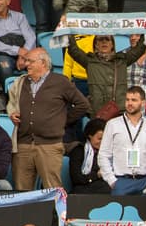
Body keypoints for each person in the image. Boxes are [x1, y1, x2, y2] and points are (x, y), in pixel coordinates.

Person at [7, 48, 90, 189]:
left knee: (52, 189)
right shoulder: (21, 82)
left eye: (30, 61)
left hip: (49, 145)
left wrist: (63, 120)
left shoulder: (60, 82)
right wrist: (12, 113)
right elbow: (11, 104)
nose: (26, 64)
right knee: (22, 191)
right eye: (26, 61)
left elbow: (83, 104)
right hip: (23, 144)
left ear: (43, 63)